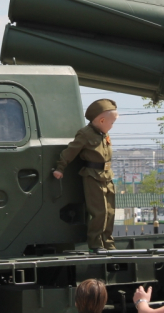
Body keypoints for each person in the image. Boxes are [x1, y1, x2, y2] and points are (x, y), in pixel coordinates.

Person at [53, 98, 118, 251]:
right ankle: (96, 244)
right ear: (102, 120)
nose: (112, 126)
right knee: (99, 212)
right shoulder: (85, 134)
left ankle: (108, 242)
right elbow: (70, 151)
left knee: (110, 212)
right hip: (93, 176)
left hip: (107, 175)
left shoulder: (103, 134)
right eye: (112, 122)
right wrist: (60, 168)